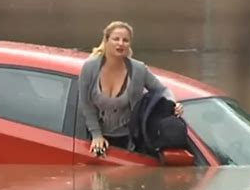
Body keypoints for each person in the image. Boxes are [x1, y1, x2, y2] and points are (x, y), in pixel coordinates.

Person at [78, 21, 183, 156]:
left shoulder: (138, 70)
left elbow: (162, 90)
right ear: (106, 40)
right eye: (116, 39)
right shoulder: (89, 68)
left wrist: (173, 103)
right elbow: (86, 105)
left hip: (129, 140)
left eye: (125, 40)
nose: (120, 43)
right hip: (94, 138)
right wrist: (96, 135)